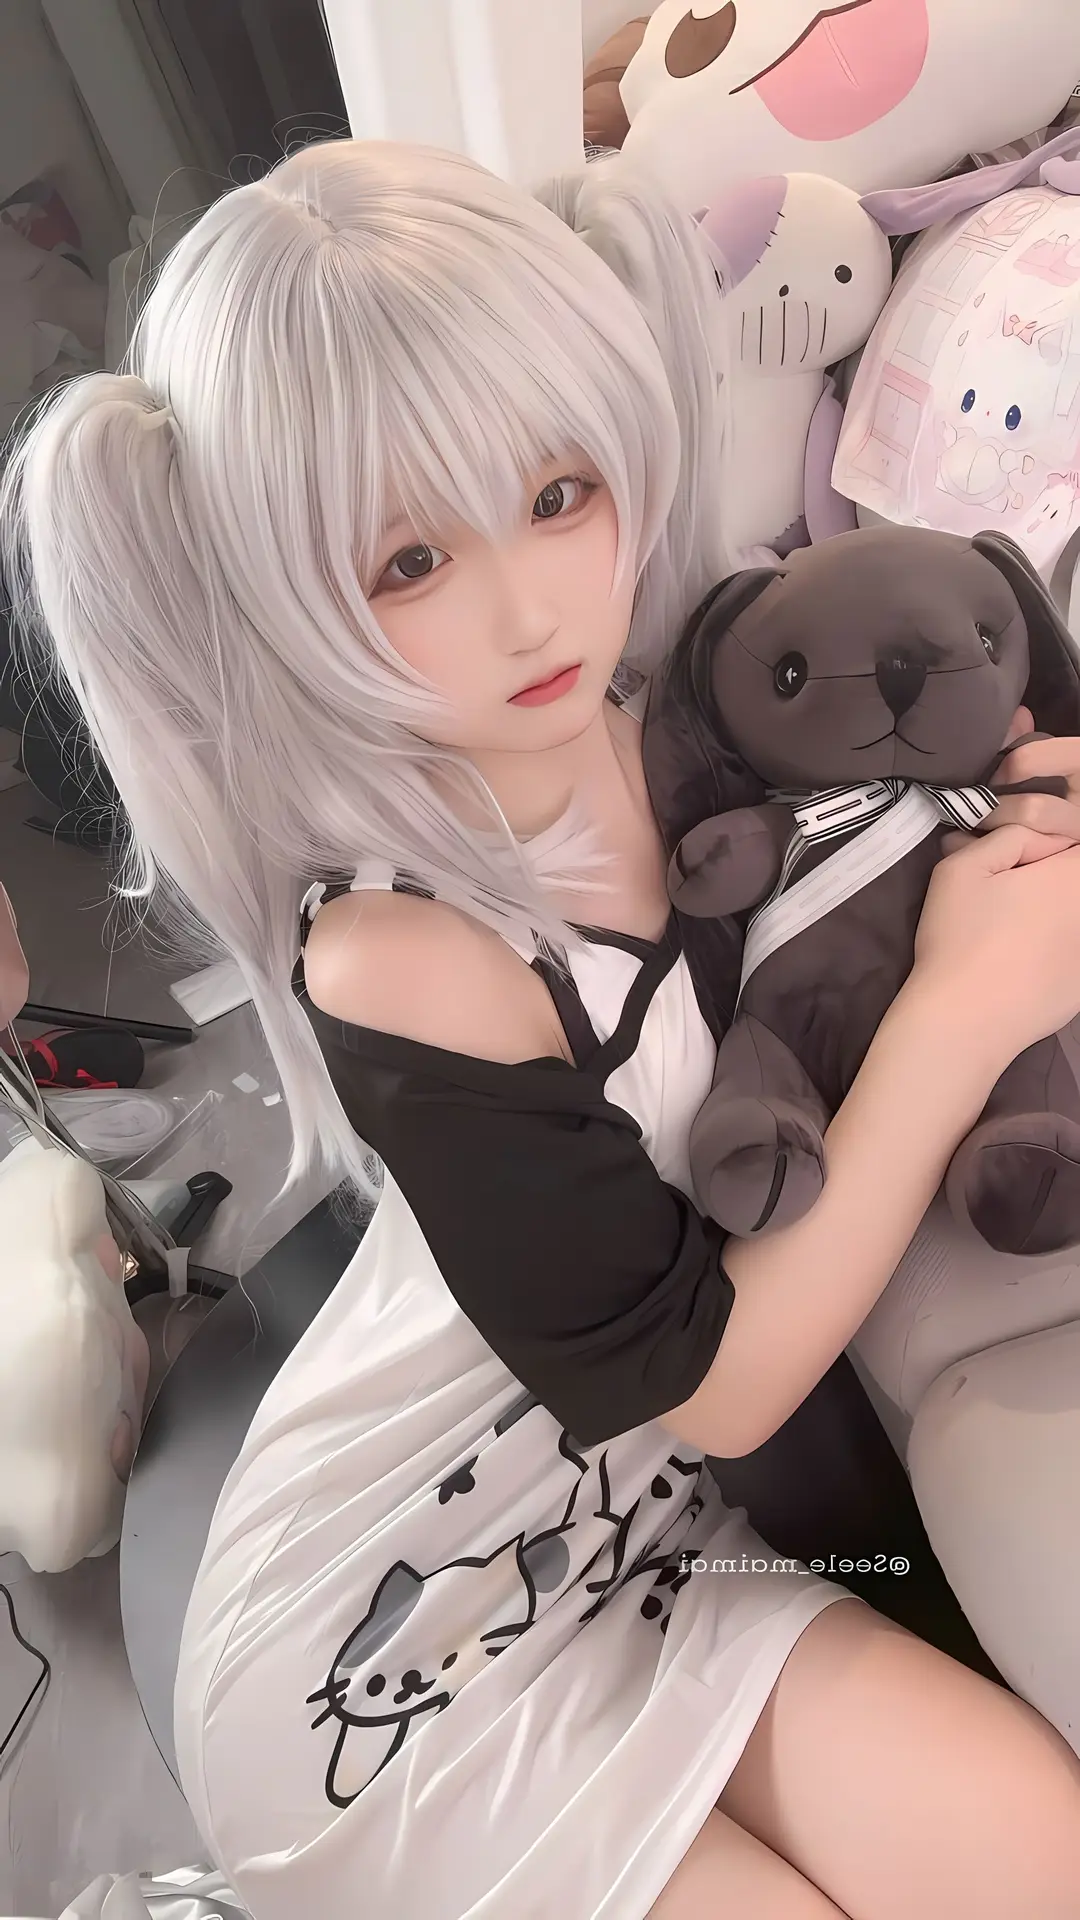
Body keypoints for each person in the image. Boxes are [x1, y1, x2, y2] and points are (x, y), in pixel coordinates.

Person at [4, 138, 1080, 1920]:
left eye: (560, 491)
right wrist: (969, 1011)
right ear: (276, 590)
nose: (529, 608)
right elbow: (723, 1380)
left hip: (656, 1536)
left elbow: (935, 737)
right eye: (410, 558)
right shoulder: (400, 950)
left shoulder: (672, 714)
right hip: (388, 1641)